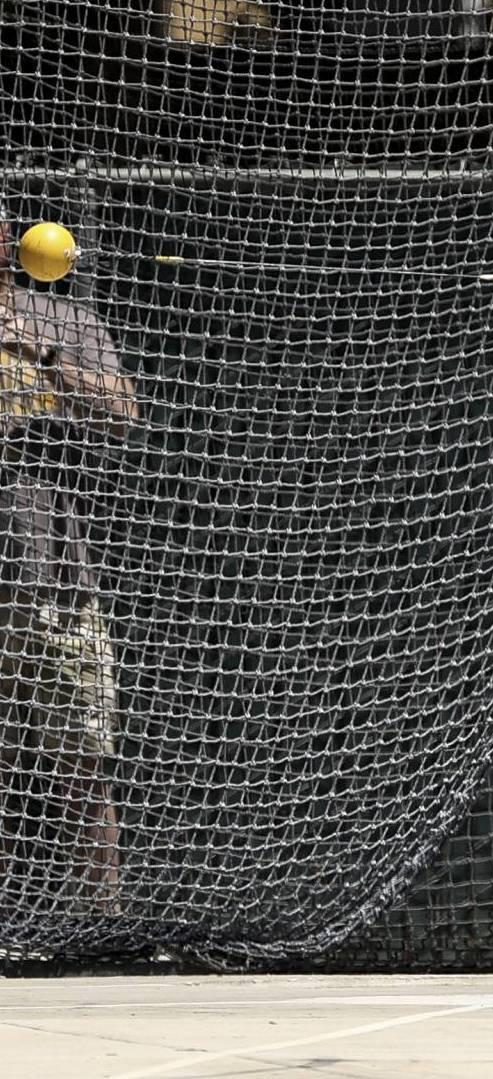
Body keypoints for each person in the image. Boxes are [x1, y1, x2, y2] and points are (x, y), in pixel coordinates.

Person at [0, 210, 139, 914]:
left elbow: (123, 410)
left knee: (82, 760)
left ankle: (100, 919)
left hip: (52, 574)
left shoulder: (60, 317)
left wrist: (40, 355)